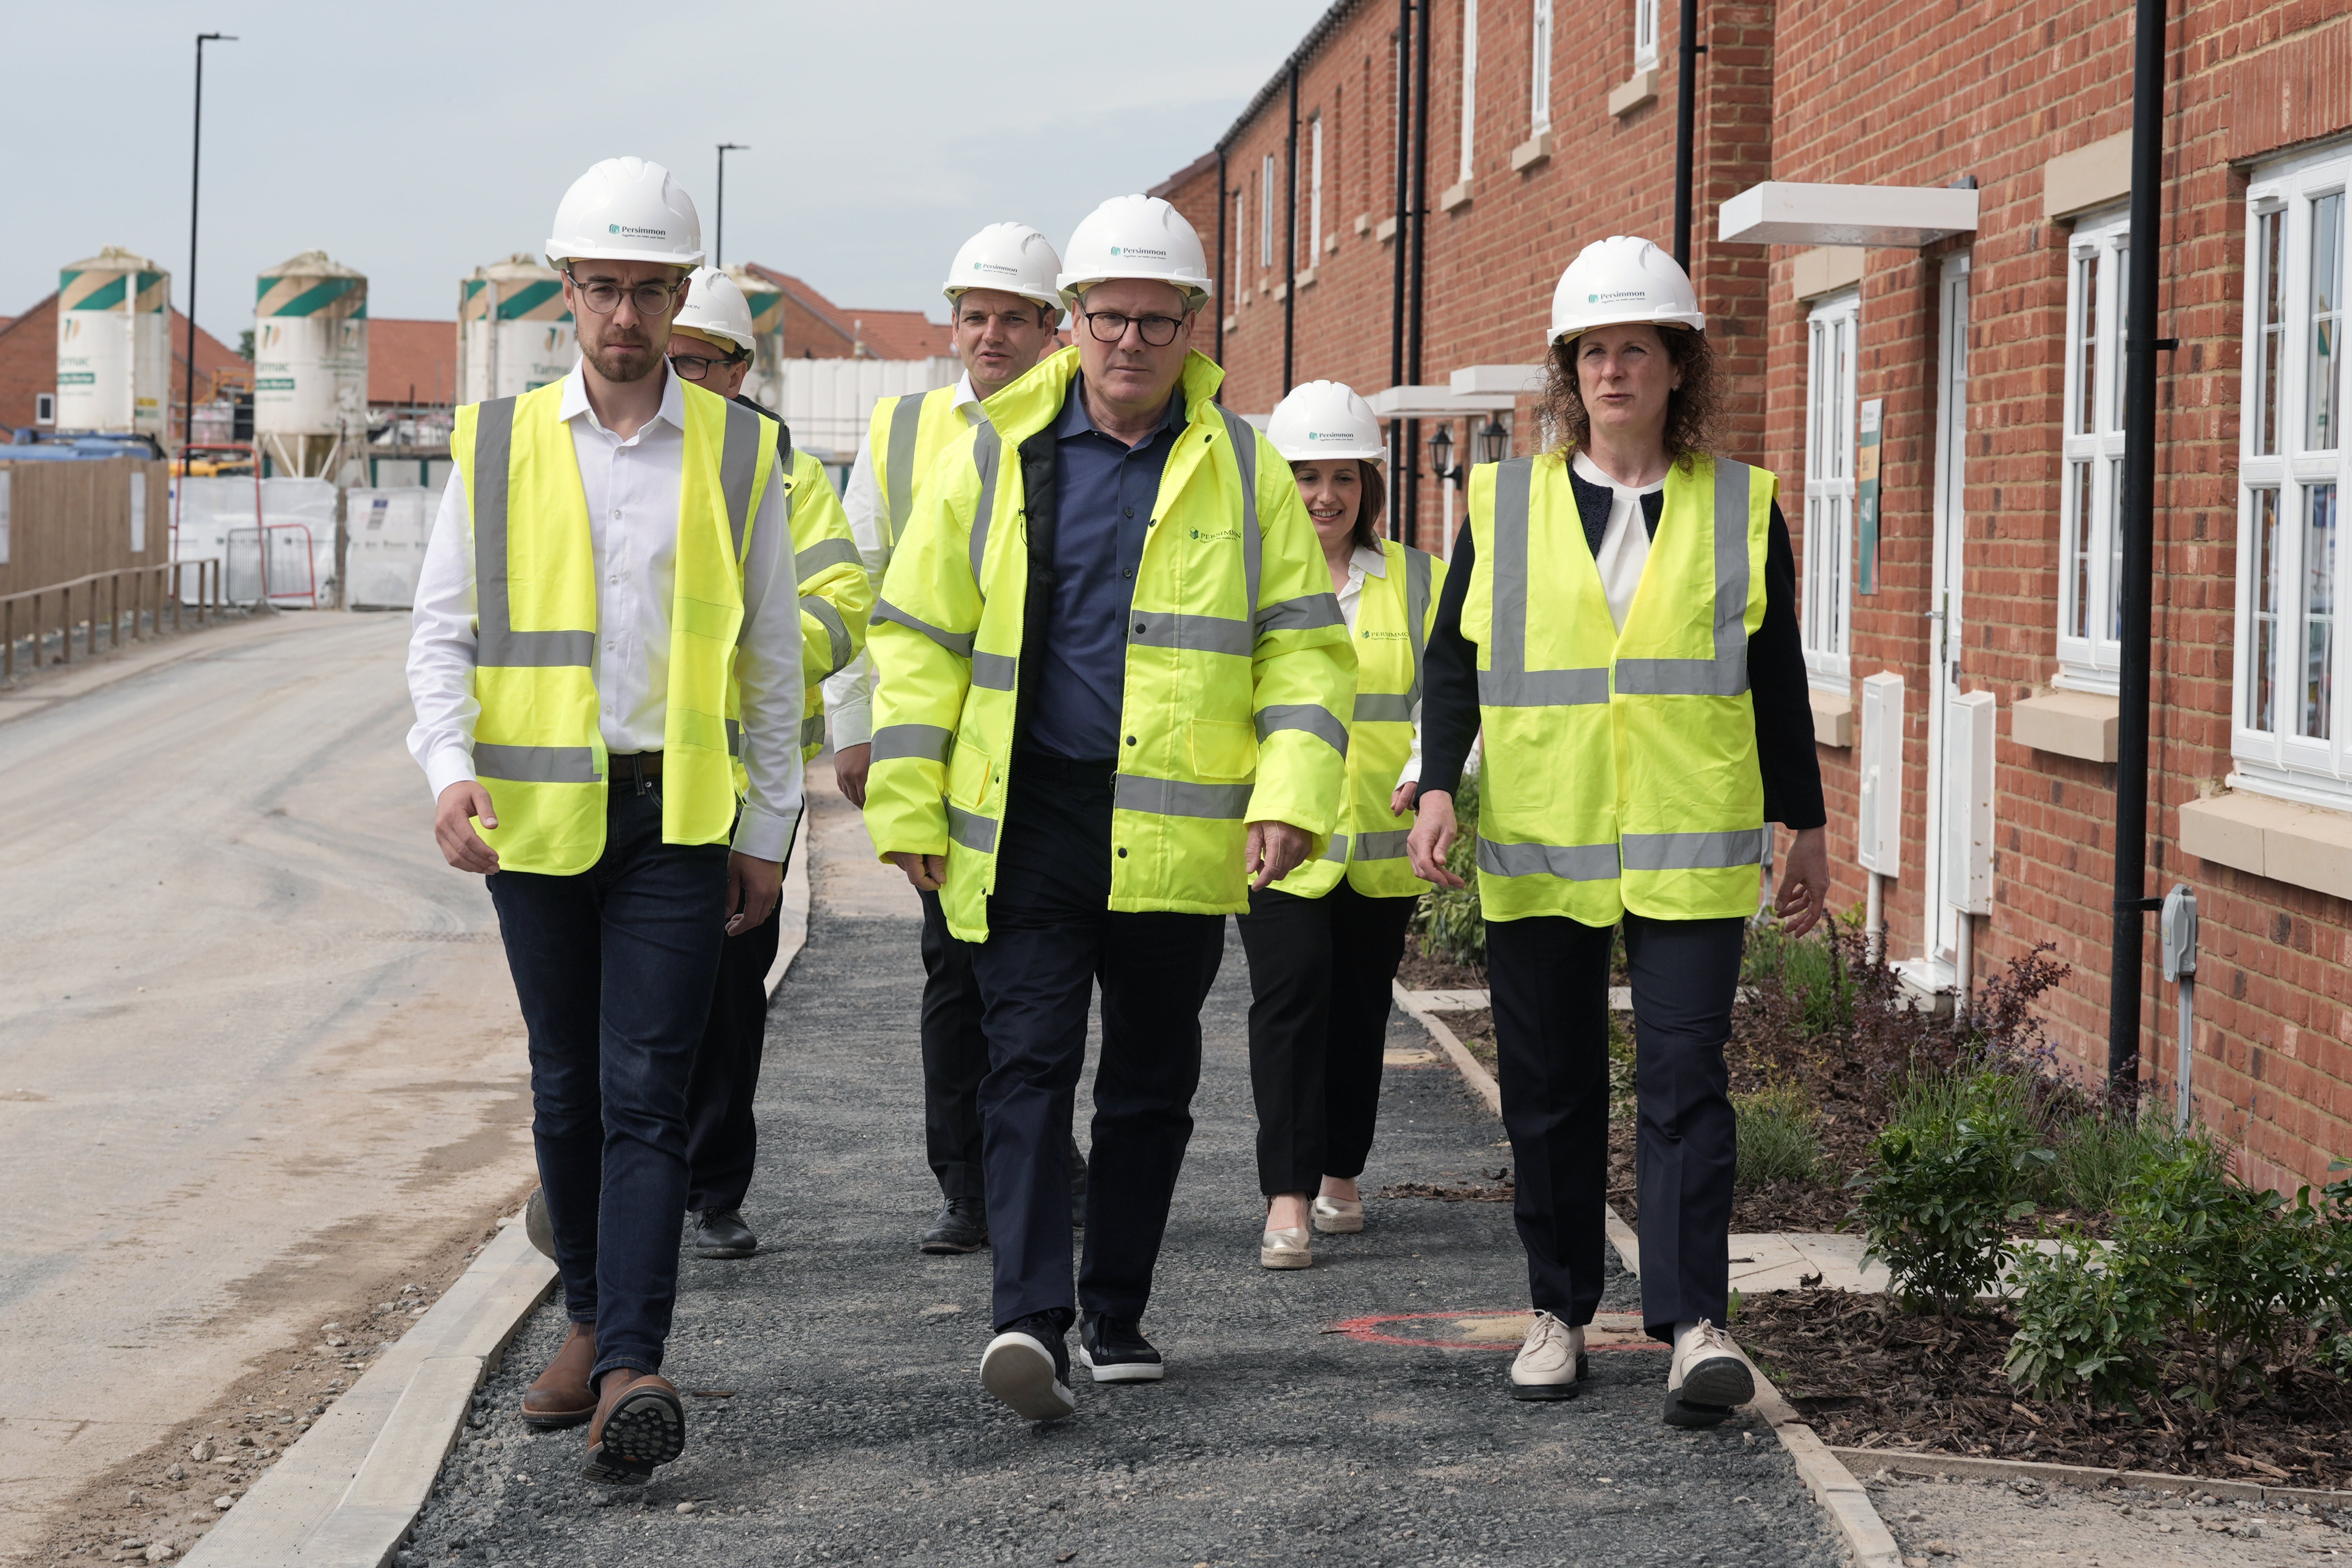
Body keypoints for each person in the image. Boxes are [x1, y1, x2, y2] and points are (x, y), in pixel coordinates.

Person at [861, 194, 1355, 1423]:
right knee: (1024, 1064)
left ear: (1195, 328)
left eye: (1154, 320)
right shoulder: (995, 449)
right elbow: (921, 636)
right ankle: (1027, 1322)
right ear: (1070, 324)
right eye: (1107, 319)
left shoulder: (1243, 467)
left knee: (1150, 1079)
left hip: (1178, 827)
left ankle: (1116, 1311)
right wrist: (912, 803)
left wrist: (1289, 793)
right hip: (1029, 817)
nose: (1128, 342)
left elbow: (1306, 649)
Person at [405, 157, 803, 1484]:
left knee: (647, 1094)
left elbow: (772, 667)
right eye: (599, 288)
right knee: (567, 1085)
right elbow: (442, 633)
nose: (622, 316)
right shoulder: (499, 443)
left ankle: (634, 1357)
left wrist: (770, 827)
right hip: (534, 822)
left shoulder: (742, 451)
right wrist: (447, 770)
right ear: (565, 292)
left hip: (677, 825)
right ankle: (583, 1315)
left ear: (682, 297)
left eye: (645, 290)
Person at [1405, 236, 1829, 1425]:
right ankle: (1560, 1311)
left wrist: (1808, 822)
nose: (1612, 370)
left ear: (1677, 367)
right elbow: (1453, 661)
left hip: (1692, 843)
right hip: (1545, 840)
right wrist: (1440, 783)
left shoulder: (1741, 506)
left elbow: (1777, 677)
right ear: (1566, 372)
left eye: (1635, 347)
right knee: (1548, 1089)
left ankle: (1696, 1323)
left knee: (1688, 1080)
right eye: (1591, 350)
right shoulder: (1506, 501)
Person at [824, 224, 1082, 1256]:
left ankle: (1039, 1161)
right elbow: (859, 583)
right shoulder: (903, 432)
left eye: (1014, 318)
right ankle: (969, 1183)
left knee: (1049, 974)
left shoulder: (1081, 422)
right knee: (956, 969)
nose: (992, 335)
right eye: (976, 316)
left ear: (1049, 328)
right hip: (942, 752)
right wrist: (858, 733)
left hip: (1056, 751)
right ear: (954, 323)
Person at [664, 266, 871, 1260]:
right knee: (635, 996)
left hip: (749, 783)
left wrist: (761, 641)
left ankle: (714, 1189)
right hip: (638, 774)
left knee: (728, 997)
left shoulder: (788, 473)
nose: (677, 374)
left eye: (694, 361)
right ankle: (637, 1179)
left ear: (738, 368)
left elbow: (844, 595)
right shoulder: (631, 457)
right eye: (670, 358)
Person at [1236, 381, 1443, 1270]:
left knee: (1359, 1012)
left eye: (1343, 476)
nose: (1325, 495)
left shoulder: (1418, 579)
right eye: (1306, 475)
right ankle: (1286, 1193)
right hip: (1279, 839)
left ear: (1369, 485)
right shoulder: (1246, 579)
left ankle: (1340, 1170)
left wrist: (1426, 770)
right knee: (1289, 1003)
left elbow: (1448, 695)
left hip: (1377, 846)